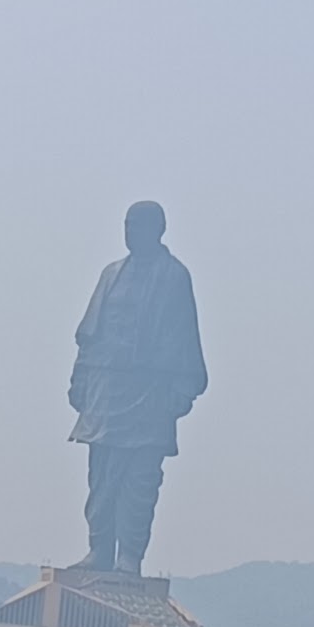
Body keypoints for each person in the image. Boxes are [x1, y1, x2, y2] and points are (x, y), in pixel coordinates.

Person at [68, 201, 207, 575]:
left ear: (156, 229)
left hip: (149, 391)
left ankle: (130, 556)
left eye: (137, 226)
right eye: (126, 225)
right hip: (106, 388)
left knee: (141, 478)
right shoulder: (111, 274)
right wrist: (80, 377)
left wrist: (182, 388)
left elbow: (184, 334)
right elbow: (89, 335)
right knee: (101, 474)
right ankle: (99, 549)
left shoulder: (174, 276)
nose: (129, 232)